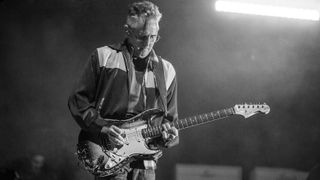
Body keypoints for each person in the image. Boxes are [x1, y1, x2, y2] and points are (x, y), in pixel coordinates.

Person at [68, 1, 179, 180]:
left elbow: (169, 121)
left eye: (154, 37)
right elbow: (77, 102)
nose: (148, 43)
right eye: (142, 37)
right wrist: (103, 128)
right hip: (109, 152)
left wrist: (168, 137)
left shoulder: (167, 70)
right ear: (127, 30)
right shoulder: (103, 57)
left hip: (146, 161)